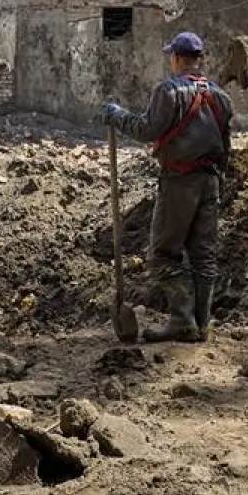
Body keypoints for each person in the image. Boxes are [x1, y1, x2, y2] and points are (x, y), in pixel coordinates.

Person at [103, 31, 234, 343]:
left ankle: (182, 320)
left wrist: (117, 116)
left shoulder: (169, 91)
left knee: (163, 254)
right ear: (198, 60)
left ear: (176, 58)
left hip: (179, 181)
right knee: (203, 254)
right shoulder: (221, 97)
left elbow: (147, 130)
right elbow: (226, 147)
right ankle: (202, 324)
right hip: (210, 180)